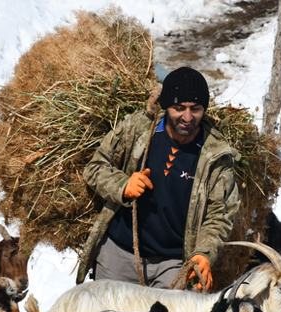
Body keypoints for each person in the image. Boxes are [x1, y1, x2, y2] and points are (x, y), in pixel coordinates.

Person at [76, 67, 241, 291]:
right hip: (119, 255)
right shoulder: (136, 130)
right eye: (178, 108)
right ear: (165, 106)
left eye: (196, 108)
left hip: (172, 265)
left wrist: (204, 254)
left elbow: (219, 216)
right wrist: (123, 185)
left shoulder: (217, 156)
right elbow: (95, 168)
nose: (187, 117)